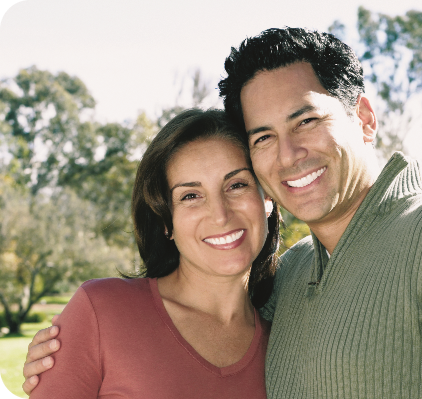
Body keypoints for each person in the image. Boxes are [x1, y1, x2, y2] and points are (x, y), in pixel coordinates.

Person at [24, 28, 422, 398]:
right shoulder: (292, 277)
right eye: (264, 137)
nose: (288, 154)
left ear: (364, 117)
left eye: (305, 122)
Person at [26, 109, 280, 399]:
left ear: (267, 197)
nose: (220, 215)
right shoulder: (101, 313)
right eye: (190, 196)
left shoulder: (285, 349)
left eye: (237, 185)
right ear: (165, 221)